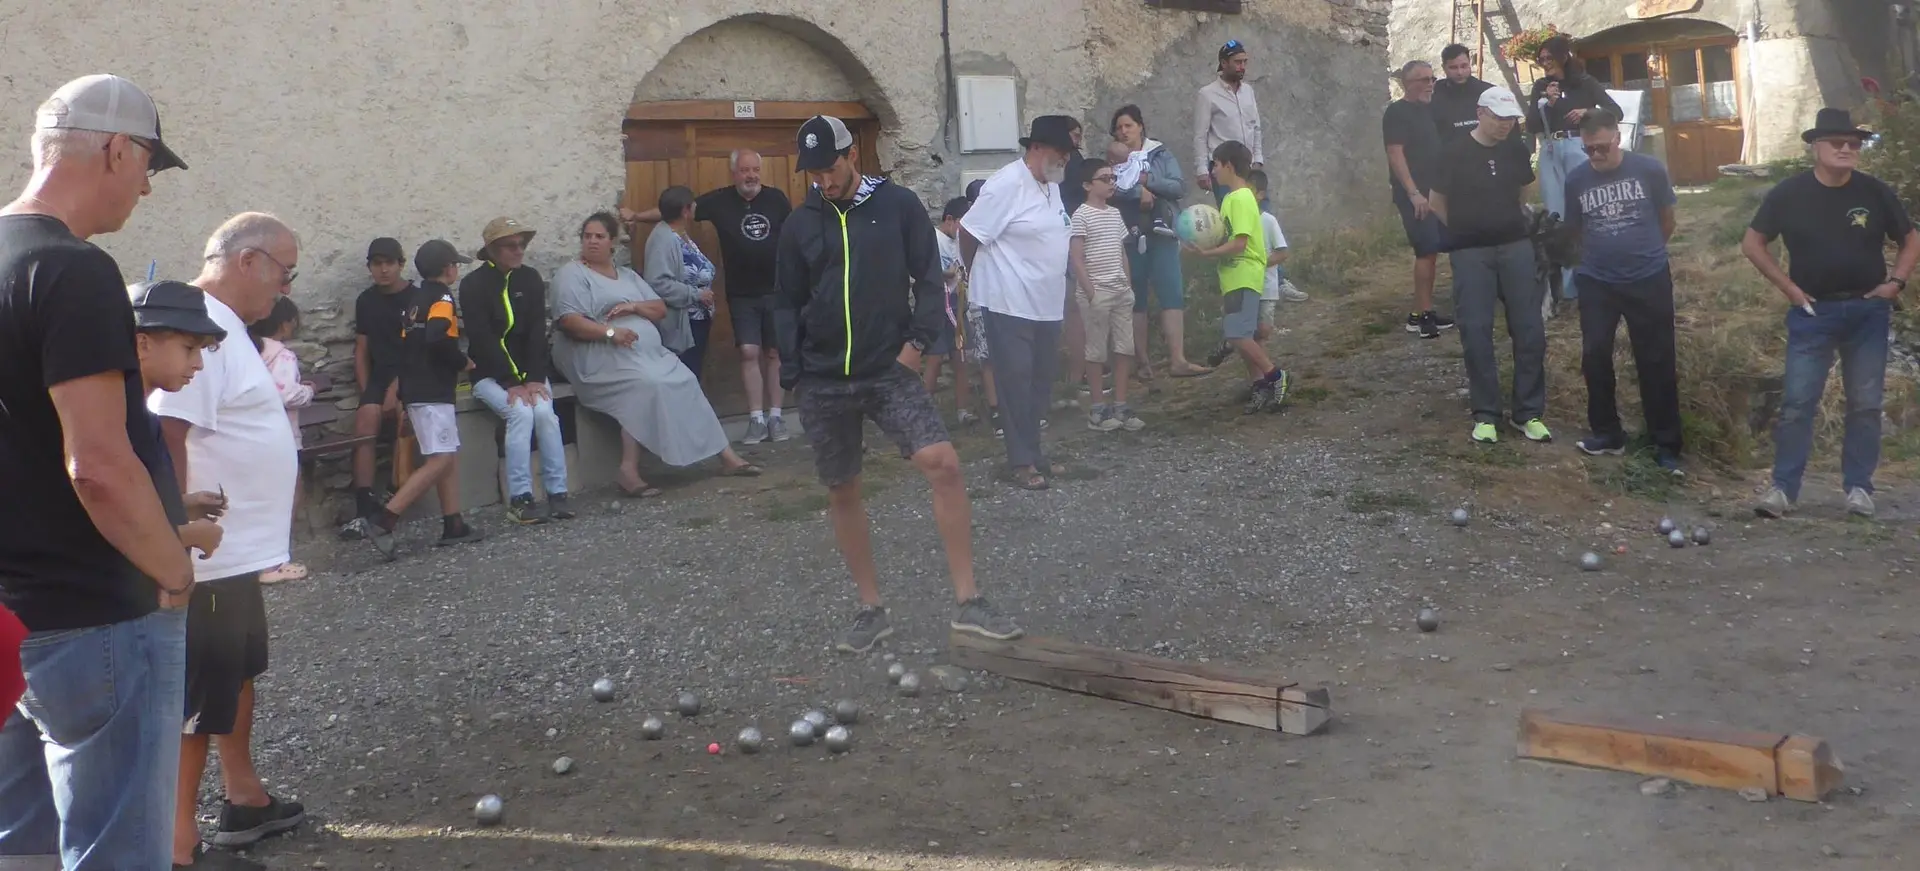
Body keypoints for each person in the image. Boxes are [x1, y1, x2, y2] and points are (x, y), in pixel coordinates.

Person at [0, 74, 196, 871]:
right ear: (117, 149)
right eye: (148, 163)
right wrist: (174, 566)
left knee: (21, 848)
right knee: (116, 853)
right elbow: (100, 467)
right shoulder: (73, 270)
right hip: (95, 614)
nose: (147, 186)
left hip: (11, 616)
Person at [775, 114, 1022, 651]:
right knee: (843, 488)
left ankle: (969, 602)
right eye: (813, 172)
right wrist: (792, 370)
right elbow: (785, 300)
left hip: (889, 367)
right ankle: (871, 610)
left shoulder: (898, 206)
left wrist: (917, 344)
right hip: (823, 377)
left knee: (945, 466)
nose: (823, 180)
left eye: (830, 167)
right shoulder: (801, 223)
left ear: (852, 155)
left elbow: (930, 280)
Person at [152, 212, 308, 868]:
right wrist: (173, 549)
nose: (286, 287)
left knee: (237, 673)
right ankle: (178, 843)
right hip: (204, 558)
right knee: (197, 696)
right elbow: (168, 436)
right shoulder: (198, 327)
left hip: (234, 552)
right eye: (284, 271)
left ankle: (243, 796)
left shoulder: (227, 327)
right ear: (248, 261)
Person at [1743, 108, 1920, 519]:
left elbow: (1911, 239)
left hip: (1867, 311)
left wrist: (1895, 283)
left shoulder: (1875, 192)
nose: (1846, 149)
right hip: (1812, 312)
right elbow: (1753, 243)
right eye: (1837, 142)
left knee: (1865, 403)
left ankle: (1859, 489)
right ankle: (1783, 490)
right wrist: (1788, 288)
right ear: (1815, 147)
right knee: (1798, 402)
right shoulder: (1789, 194)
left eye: (1853, 144)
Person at [552, 213, 763, 496]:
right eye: (587, 236)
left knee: (684, 378)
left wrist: (634, 308)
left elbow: (659, 309)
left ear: (613, 242)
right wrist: (611, 333)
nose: (592, 241)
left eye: (599, 236)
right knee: (647, 384)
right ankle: (629, 471)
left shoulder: (627, 275)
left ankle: (726, 456)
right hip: (595, 353)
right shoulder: (573, 274)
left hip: (640, 353)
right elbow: (569, 322)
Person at [624, 151, 792, 443]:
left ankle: (776, 417)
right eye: (744, 170)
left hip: (777, 290)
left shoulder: (777, 199)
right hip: (741, 293)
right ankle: (755, 419)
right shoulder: (720, 200)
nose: (751, 175)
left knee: (775, 352)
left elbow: (794, 235)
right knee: (749, 352)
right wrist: (637, 216)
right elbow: (674, 211)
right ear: (734, 173)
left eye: (755, 169)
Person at [1561, 109, 1683, 473]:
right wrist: (1592, 261)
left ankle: (1665, 443)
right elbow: (1576, 229)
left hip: (1648, 276)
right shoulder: (1576, 180)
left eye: (1601, 147)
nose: (1595, 155)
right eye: (1588, 150)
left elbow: (1667, 219)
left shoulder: (1648, 170)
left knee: (1656, 359)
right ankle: (1607, 432)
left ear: (1618, 137)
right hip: (1597, 280)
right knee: (1595, 354)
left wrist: (1647, 252)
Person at [346, 240, 485, 557]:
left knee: (445, 452)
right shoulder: (443, 298)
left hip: (417, 390)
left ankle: (454, 523)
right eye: (456, 266)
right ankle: (386, 518)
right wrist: (461, 361)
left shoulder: (416, 301)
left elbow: (410, 346)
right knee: (441, 459)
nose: (457, 271)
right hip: (434, 389)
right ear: (449, 269)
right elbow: (437, 336)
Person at [1428, 88, 1552, 446]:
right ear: (1481, 113)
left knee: (1529, 328)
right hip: (1470, 251)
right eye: (1499, 118)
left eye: (1511, 119)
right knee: (1476, 330)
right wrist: (1467, 229)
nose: (1505, 126)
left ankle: (1528, 412)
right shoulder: (1453, 151)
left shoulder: (1515, 147)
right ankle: (1486, 413)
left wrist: (1507, 222)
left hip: (1515, 246)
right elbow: (1437, 202)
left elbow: (1524, 191)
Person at [962, 116, 1075, 491]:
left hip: (1045, 302)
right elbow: (969, 232)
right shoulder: (1006, 184)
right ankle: (1021, 462)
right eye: (1061, 153)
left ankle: (1036, 453)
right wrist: (972, 274)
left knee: (1041, 381)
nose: (1066, 161)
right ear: (1037, 148)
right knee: (1016, 382)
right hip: (1008, 300)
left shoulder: (1052, 186)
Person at [460, 217, 573, 525]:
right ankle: (520, 499)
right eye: (511, 246)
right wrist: (511, 381)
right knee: (521, 413)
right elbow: (482, 338)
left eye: (521, 244)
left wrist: (535, 377)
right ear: (493, 250)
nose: (519, 251)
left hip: (530, 374)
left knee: (546, 414)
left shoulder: (531, 279)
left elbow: (538, 330)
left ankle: (557, 493)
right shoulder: (473, 286)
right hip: (489, 375)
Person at [1186, 141, 1290, 415]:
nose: (1213, 170)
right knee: (1243, 334)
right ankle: (1260, 386)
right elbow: (1227, 237)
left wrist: (1207, 253)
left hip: (1244, 274)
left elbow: (1240, 243)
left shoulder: (1241, 198)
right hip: (1233, 276)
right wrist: (1199, 245)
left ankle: (1275, 375)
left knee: (1237, 334)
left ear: (1229, 166)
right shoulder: (1233, 199)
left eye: (1216, 165)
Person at [1110, 104, 1210, 379]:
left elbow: (1178, 187)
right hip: (1130, 234)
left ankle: (1178, 359)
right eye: (1119, 128)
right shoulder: (1113, 159)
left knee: (1171, 293)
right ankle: (1142, 363)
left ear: (1140, 126)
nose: (1123, 131)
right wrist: (1136, 194)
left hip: (1163, 232)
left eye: (1128, 125)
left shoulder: (1160, 154)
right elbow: (1109, 189)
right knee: (1135, 298)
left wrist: (1146, 180)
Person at [1529, 35, 1623, 300]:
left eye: (1549, 58)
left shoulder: (1584, 82)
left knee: (1586, 208)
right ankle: (1565, 287)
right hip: (1549, 149)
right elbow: (1532, 124)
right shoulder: (1541, 86)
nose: (1545, 63)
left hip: (1576, 146)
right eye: (1541, 59)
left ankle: (1596, 274)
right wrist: (1546, 103)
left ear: (1564, 57)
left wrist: (1587, 114)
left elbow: (1616, 112)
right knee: (1555, 215)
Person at [344, 237, 414, 532]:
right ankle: (364, 504)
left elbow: (419, 351)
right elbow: (361, 350)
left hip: (413, 375)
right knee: (365, 420)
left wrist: (396, 388)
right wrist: (367, 392)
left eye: (389, 263)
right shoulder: (366, 301)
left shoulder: (417, 298)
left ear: (401, 264)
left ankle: (394, 497)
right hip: (380, 376)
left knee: (402, 418)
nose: (383, 270)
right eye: (377, 264)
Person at [1383, 60, 1455, 340]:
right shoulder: (1397, 112)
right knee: (1425, 250)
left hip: (1436, 191)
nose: (1429, 85)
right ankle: (1422, 316)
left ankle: (1420, 311)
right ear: (1405, 84)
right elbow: (1395, 153)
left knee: (1433, 250)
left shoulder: (1429, 111)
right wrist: (1413, 193)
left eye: (1431, 79)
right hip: (1415, 194)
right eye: (1422, 80)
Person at [1070, 159, 1143, 432]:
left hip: (1120, 291)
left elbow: (1122, 252)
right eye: (1105, 178)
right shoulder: (1081, 215)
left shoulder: (1114, 214)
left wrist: (1128, 285)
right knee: (1096, 350)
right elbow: (1077, 258)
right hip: (1096, 293)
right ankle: (1098, 409)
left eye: (1113, 178)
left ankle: (1121, 405)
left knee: (1125, 347)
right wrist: (1091, 292)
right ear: (1088, 185)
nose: (1112, 182)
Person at [248, 297, 312, 583]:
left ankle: (254, 558)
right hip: (282, 436)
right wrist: (308, 391)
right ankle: (274, 559)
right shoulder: (281, 354)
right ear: (285, 323)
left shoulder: (248, 349)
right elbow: (287, 394)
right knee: (288, 492)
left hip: (251, 436)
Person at [643, 186, 720, 381]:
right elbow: (658, 282)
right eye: (692, 204)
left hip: (696, 320)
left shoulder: (679, 234)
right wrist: (696, 294)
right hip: (681, 325)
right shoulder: (664, 239)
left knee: (693, 374)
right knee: (685, 377)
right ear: (685, 211)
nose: (696, 206)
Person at [927, 197, 988, 424]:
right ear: (950, 219)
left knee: (960, 357)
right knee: (934, 359)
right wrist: (946, 274)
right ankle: (924, 412)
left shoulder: (961, 241)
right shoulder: (933, 239)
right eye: (964, 222)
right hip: (936, 307)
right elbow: (923, 271)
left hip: (957, 305)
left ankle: (963, 410)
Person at [1194, 39, 1263, 204]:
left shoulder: (1248, 91)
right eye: (1237, 62)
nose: (1242, 67)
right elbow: (1200, 135)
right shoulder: (1207, 94)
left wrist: (1258, 159)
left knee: (1258, 211)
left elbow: (1256, 127)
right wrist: (1202, 169)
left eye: (1245, 62)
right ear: (1224, 63)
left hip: (1249, 165)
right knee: (1230, 212)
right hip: (1225, 167)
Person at [1251, 169, 1291, 341]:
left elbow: (1283, 253)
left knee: (1264, 329)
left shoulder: (1268, 221)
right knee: (1246, 329)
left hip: (1266, 287)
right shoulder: (1235, 219)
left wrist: (1259, 264)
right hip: (1245, 286)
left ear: (1260, 195)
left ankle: (1258, 360)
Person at [1432, 44, 1494, 144]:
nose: (1460, 72)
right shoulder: (1433, 93)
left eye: (1464, 66)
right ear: (1444, 68)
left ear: (1470, 64)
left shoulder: (1489, 92)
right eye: (1453, 68)